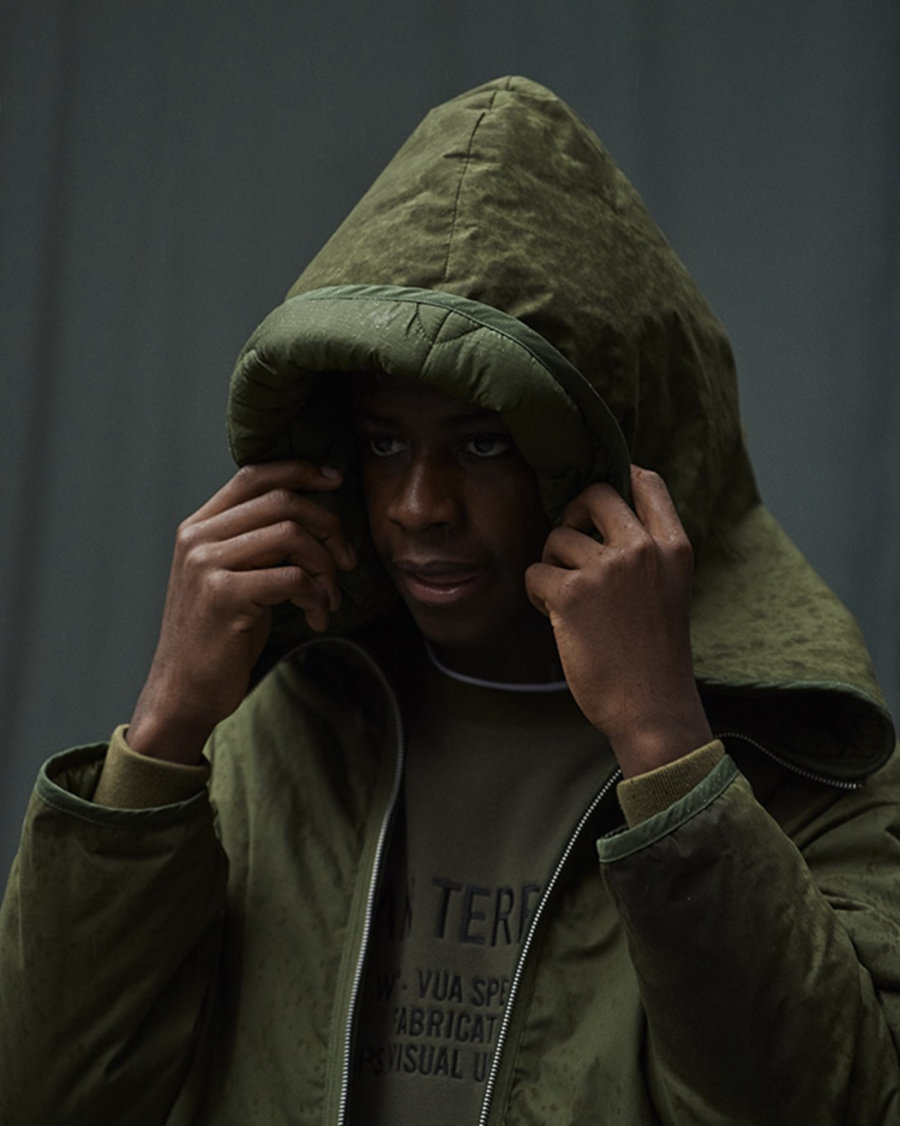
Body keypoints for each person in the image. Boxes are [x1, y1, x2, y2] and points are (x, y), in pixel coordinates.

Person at [2, 75, 898, 1125]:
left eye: (484, 444)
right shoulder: (278, 733)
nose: (418, 506)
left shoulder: (805, 761)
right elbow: (49, 1096)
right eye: (384, 442)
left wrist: (666, 746)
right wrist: (161, 734)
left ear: (609, 463)